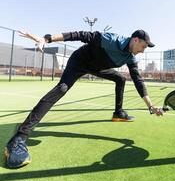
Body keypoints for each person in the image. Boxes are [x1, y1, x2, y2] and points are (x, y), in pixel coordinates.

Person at [5, 29, 164, 168]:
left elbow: (137, 80)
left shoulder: (130, 57)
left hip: (98, 68)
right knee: (62, 88)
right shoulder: (111, 39)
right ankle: (19, 138)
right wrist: (47, 39)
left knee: (120, 79)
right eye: (143, 46)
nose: (143, 50)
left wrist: (150, 106)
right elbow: (81, 35)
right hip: (79, 61)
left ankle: (118, 113)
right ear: (135, 40)